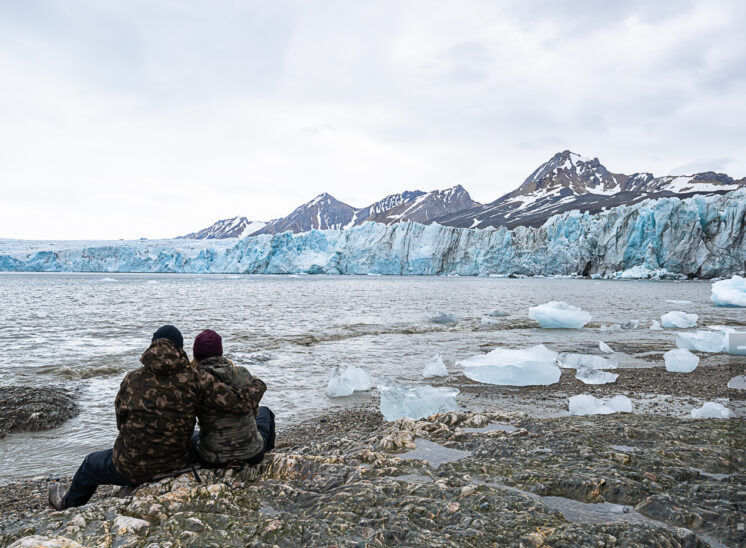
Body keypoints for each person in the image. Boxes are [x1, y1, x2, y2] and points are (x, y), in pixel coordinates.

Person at [49, 325, 266, 510]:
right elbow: (240, 403)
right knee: (198, 436)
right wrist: (258, 385)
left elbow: (120, 422)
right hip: (176, 462)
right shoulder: (197, 378)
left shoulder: (131, 379)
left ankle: (67, 506)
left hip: (130, 466)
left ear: (152, 345)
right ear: (180, 349)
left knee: (90, 464)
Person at [191, 329, 275, 467]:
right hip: (252, 454)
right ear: (220, 351)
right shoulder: (241, 373)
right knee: (265, 412)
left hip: (213, 459)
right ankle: (268, 452)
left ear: (195, 354)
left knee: (193, 436)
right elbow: (253, 412)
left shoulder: (193, 381)